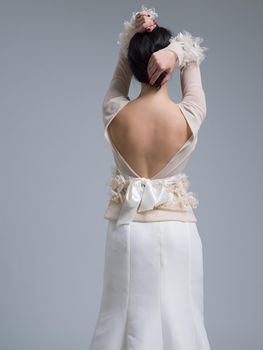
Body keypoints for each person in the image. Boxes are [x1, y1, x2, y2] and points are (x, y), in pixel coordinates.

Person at [89, 5, 211, 350]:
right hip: (177, 231)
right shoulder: (190, 113)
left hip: (126, 231)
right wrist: (174, 51)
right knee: (181, 315)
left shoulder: (114, 112)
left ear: (135, 63)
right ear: (169, 69)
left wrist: (135, 36)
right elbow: (193, 57)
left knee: (121, 315)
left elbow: (120, 73)